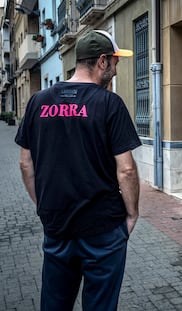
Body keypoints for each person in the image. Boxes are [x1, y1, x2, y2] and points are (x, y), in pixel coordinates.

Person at [15, 30, 141, 311]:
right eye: (115, 61)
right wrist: (132, 213)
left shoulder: (37, 102)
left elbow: (26, 163)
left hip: (57, 226)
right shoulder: (109, 103)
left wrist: (43, 205)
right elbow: (127, 170)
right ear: (102, 62)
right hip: (103, 230)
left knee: (54, 304)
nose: (116, 67)